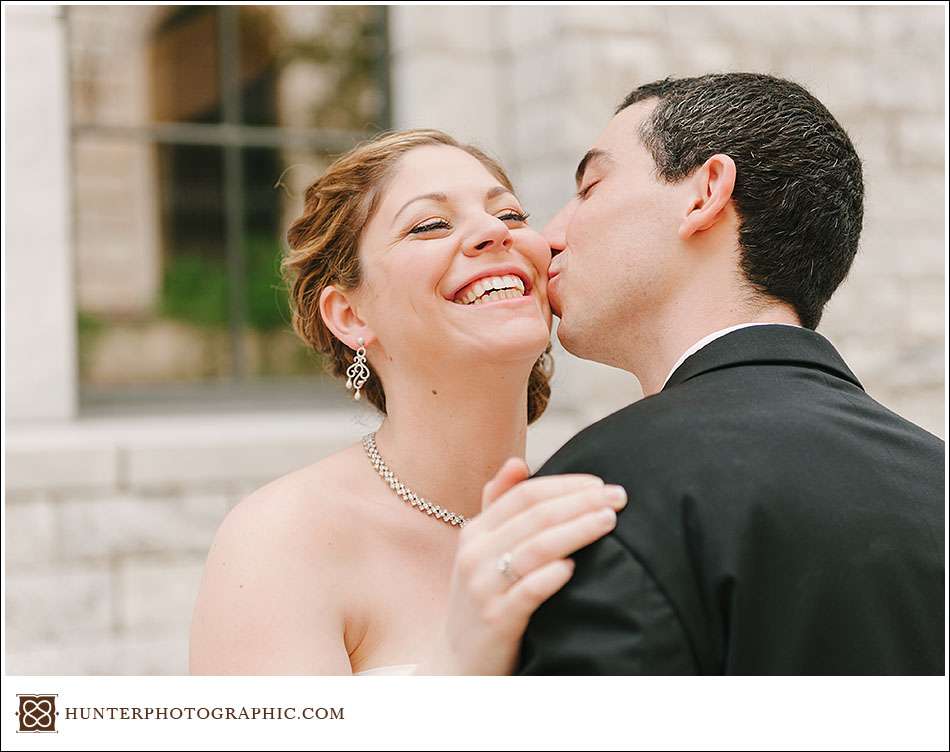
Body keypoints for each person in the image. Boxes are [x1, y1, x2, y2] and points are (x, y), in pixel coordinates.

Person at [515, 73, 945, 675]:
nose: (547, 237)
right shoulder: (936, 477)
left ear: (705, 193)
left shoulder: (600, 490)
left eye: (590, 188)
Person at [188, 129, 628, 675]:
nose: (495, 231)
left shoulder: (596, 507)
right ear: (350, 316)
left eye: (511, 216)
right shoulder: (280, 539)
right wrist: (463, 657)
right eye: (430, 225)